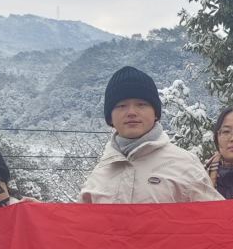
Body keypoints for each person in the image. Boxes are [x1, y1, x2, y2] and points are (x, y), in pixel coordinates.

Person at [79, 66, 221, 204]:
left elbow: (214, 216)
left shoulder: (185, 165)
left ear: (155, 114)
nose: (131, 112)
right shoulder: (98, 176)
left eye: (141, 104)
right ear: (110, 118)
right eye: (121, 106)